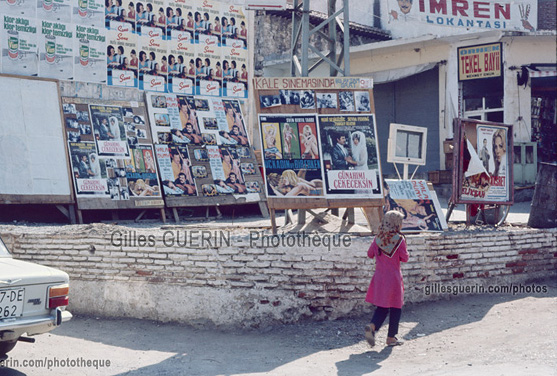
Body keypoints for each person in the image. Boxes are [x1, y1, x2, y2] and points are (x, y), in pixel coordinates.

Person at [364, 210, 409, 347]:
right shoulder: (399, 240)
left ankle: (373, 326)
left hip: (379, 277)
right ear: (397, 224)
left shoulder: (378, 239)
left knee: (382, 306)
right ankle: (391, 338)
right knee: (396, 307)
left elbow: (370, 254)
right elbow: (405, 258)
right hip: (393, 278)